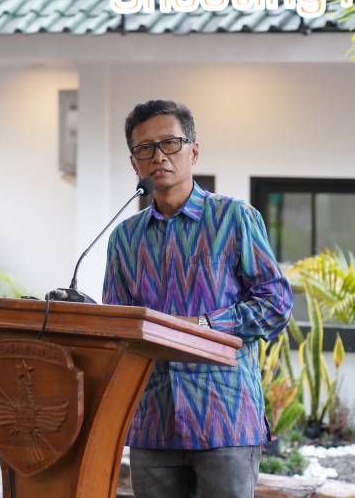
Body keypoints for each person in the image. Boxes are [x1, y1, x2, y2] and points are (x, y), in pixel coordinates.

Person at [102, 99, 294, 498]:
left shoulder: (234, 218)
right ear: (134, 163)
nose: (159, 156)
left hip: (224, 416)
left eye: (170, 143)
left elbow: (275, 305)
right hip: (153, 423)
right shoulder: (124, 238)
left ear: (193, 151)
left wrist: (203, 326)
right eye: (145, 148)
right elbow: (119, 328)